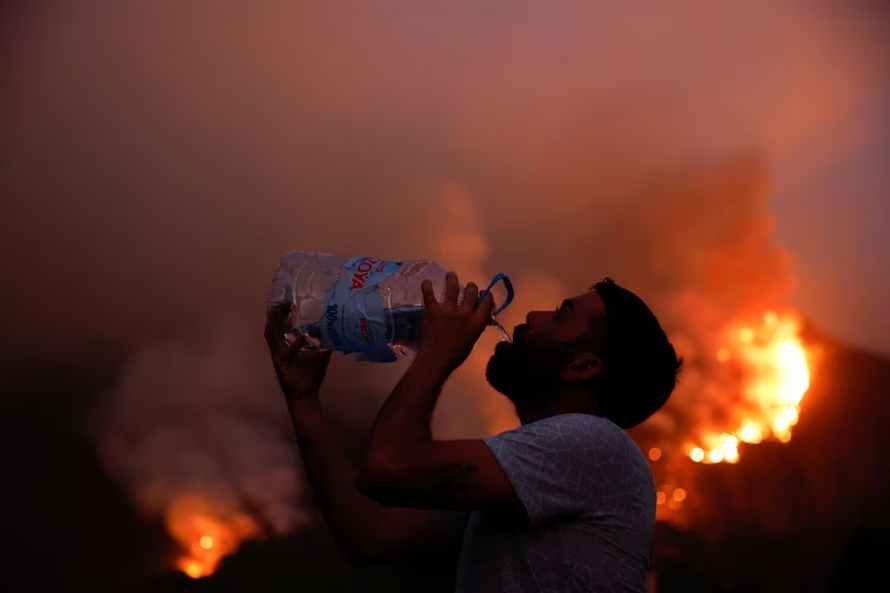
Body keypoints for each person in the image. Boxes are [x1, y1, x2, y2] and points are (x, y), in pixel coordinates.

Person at [265, 272, 682, 592]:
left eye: (561, 314)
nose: (532, 317)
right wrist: (304, 401)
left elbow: (387, 465)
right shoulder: (525, 478)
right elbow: (371, 536)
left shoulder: (594, 442)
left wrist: (438, 351)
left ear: (583, 367)